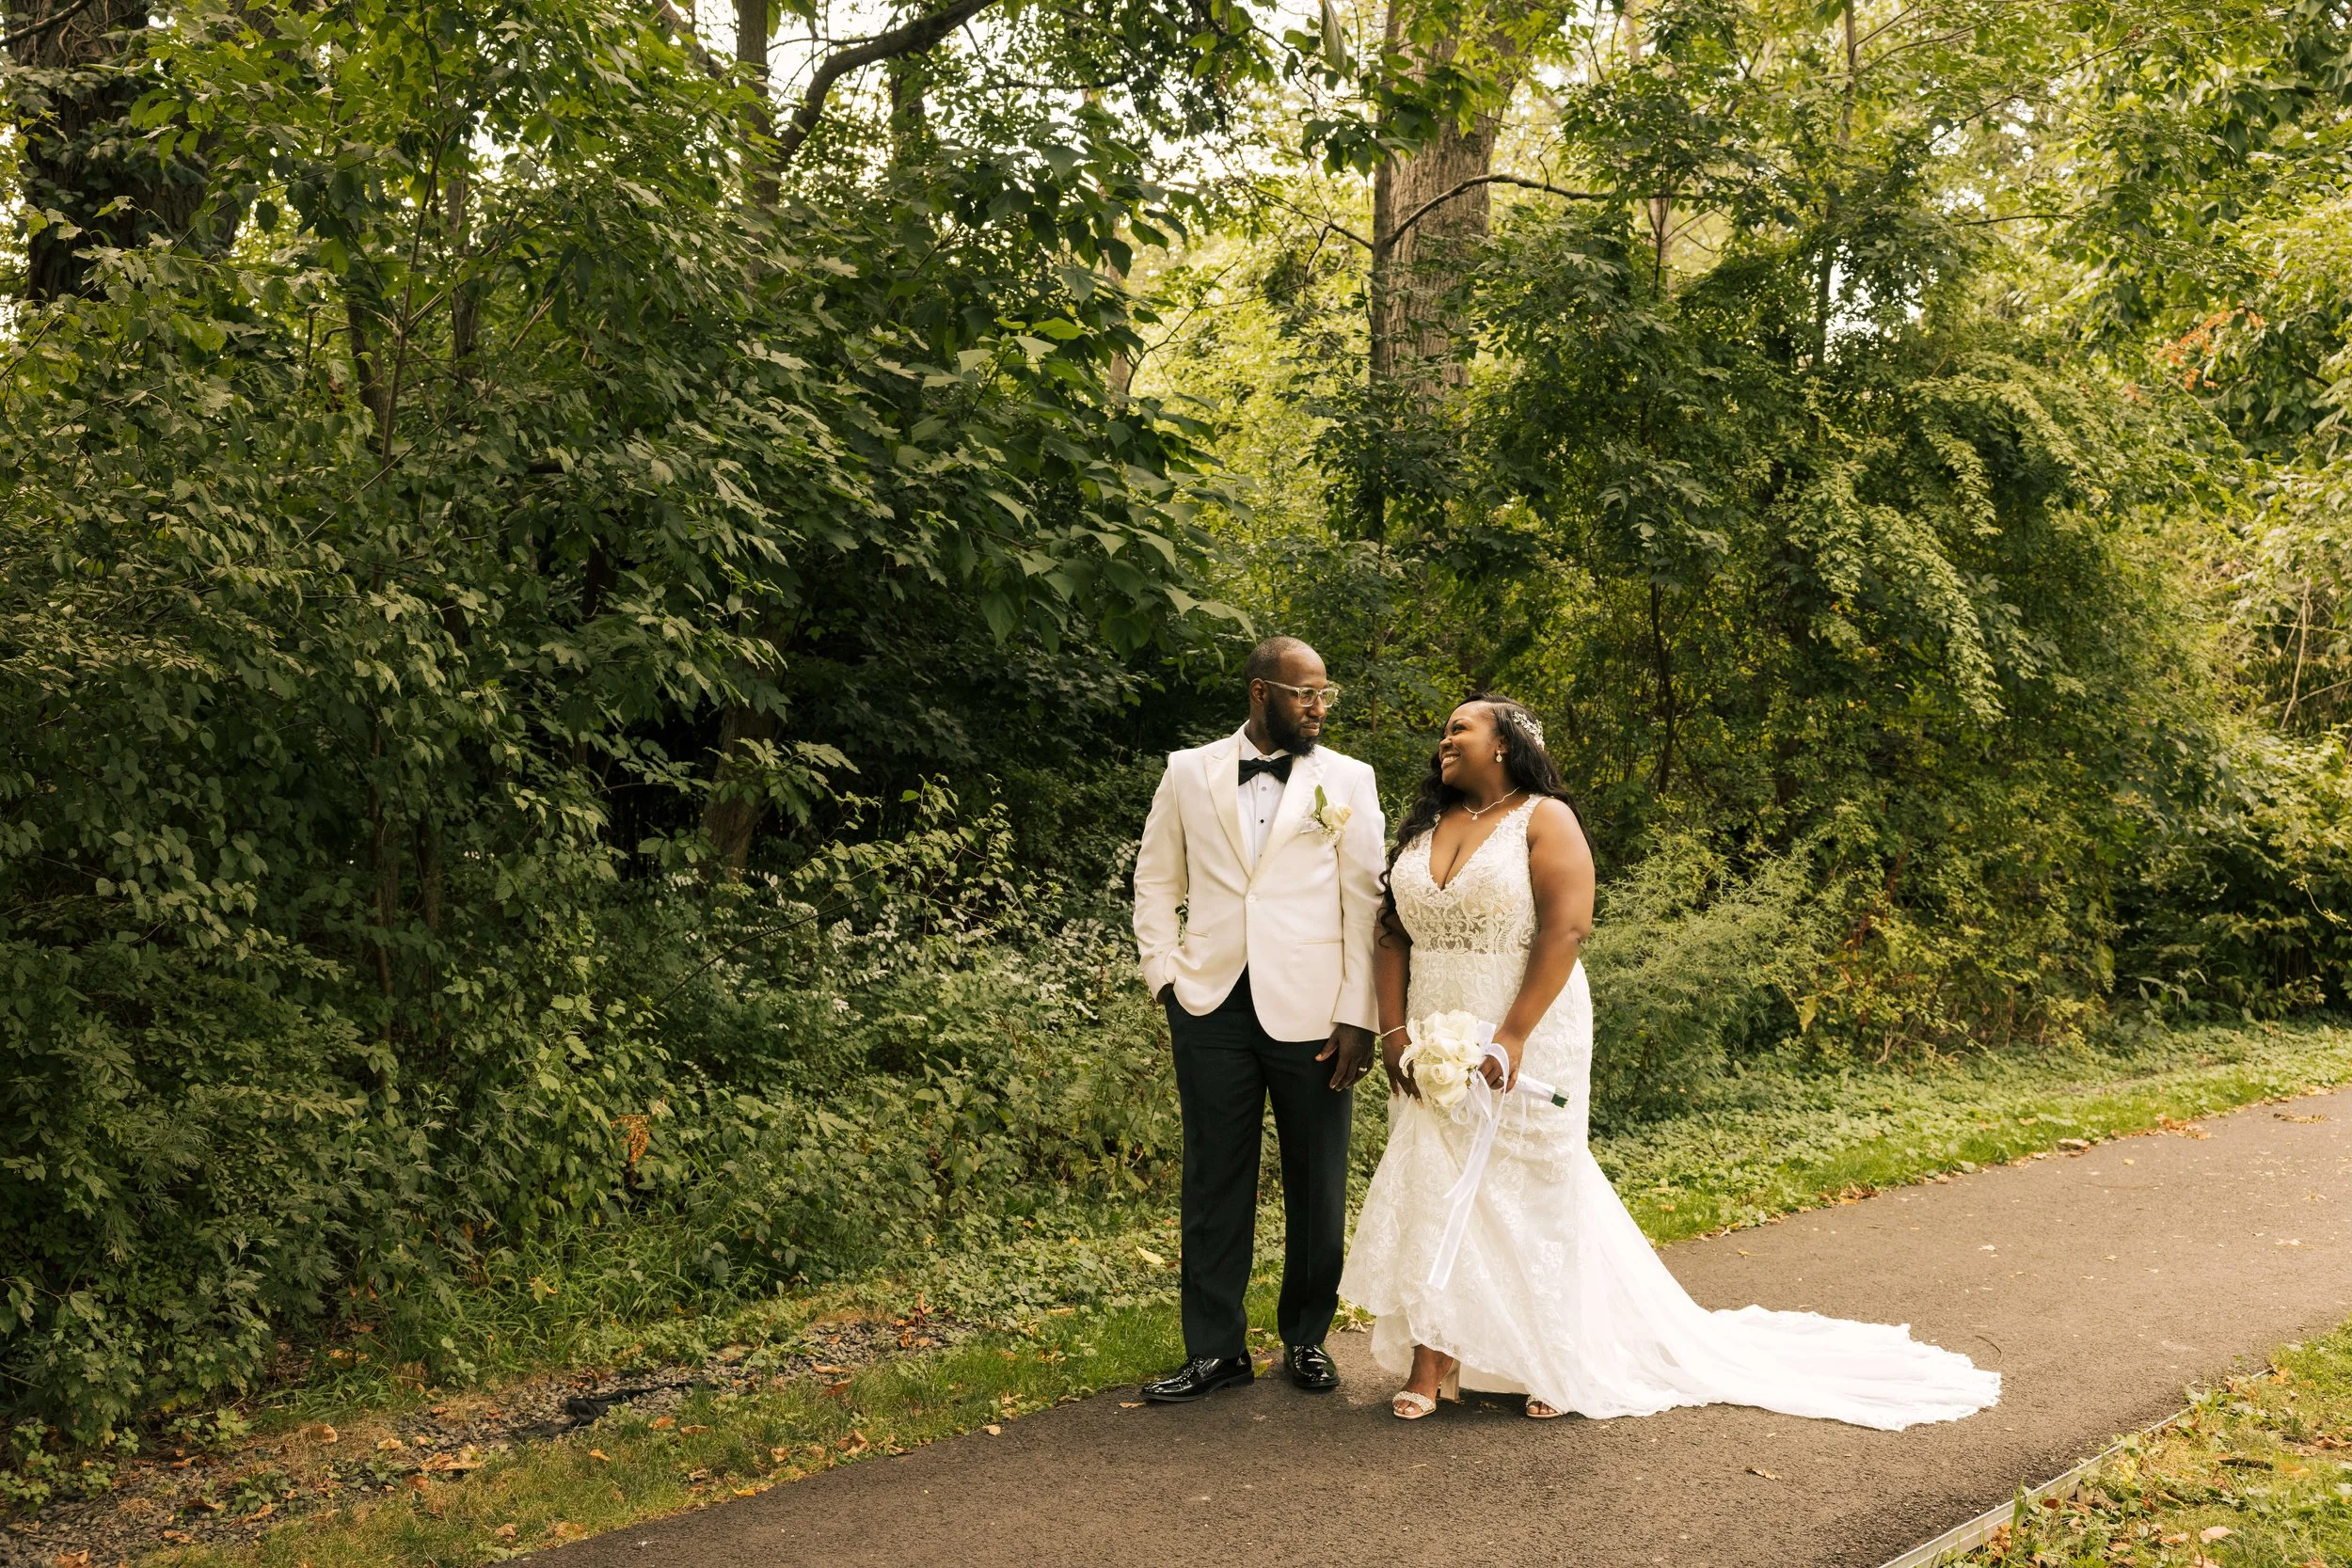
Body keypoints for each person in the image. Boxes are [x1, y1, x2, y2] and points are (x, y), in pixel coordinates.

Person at [1339, 693, 2002, 1428]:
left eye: (1461, 726)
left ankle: (1549, 1357)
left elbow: (1567, 928)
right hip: (1434, 1028)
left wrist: (1514, 1033)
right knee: (1435, 1182)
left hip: (1528, 1019)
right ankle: (1435, 1360)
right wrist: (1396, 1032)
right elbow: (1391, 935)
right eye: (1445, 729)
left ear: (1504, 744)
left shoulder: (1544, 818)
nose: (1445, 738)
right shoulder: (1425, 826)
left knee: (1530, 1184)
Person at [1131, 637, 1386, 1402]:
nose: (1318, 706)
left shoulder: (1348, 779)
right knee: (1214, 1177)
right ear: (1258, 692)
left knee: (1318, 1176)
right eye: (1304, 692)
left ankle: (1306, 1338)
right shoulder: (1187, 771)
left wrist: (1358, 1014)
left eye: (1324, 694)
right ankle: (1215, 1349)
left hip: (1315, 1009)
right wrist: (1163, 977)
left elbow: (1365, 902)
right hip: (1208, 1002)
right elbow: (1153, 878)